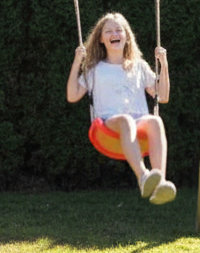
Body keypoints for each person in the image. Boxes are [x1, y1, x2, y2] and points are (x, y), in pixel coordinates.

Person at [66, 11, 175, 204]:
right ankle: (143, 177)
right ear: (101, 38)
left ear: (126, 36)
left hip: (138, 122)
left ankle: (160, 183)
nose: (114, 34)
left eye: (119, 30)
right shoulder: (94, 69)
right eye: (108, 31)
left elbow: (162, 96)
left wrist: (163, 65)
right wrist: (77, 62)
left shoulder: (139, 66)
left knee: (156, 121)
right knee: (126, 121)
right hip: (107, 123)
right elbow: (73, 96)